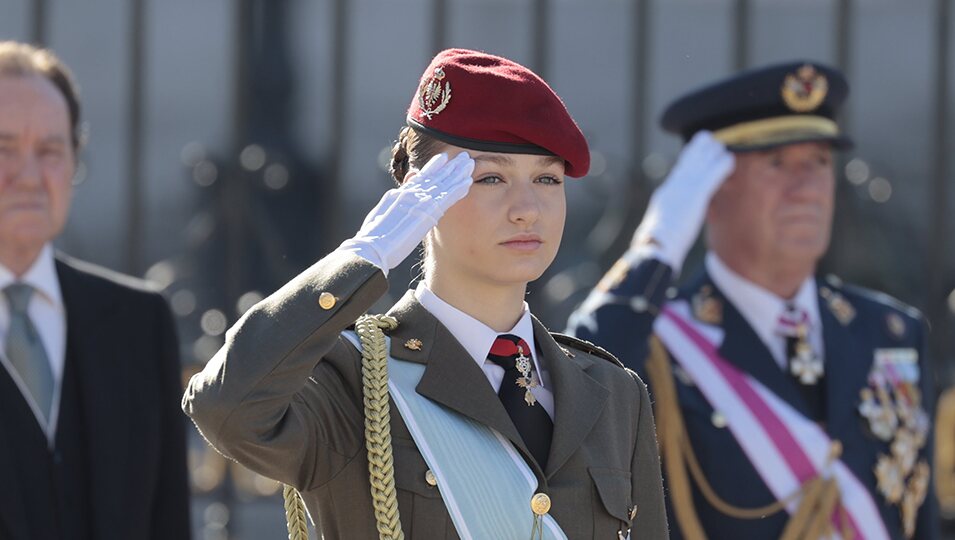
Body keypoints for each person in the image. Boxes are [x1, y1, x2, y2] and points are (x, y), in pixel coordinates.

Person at [183, 48, 667, 539]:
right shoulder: (353, 377)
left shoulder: (611, 392)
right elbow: (225, 409)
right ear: (421, 195)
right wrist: (363, 257)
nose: (527, 209)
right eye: (490, 178)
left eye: (547, 178)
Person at [568, 61, 938, 539]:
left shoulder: (891, 331)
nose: (806, 187)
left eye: (820, 162)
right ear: (711, 193)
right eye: (777, 164)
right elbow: (582, 388)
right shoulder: (656, 343)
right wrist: (655, 249)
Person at [0, 41, 191, 539]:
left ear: (73, 163)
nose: (29, 176)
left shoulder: (139, 322)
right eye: (3, 148)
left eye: (49, 150)